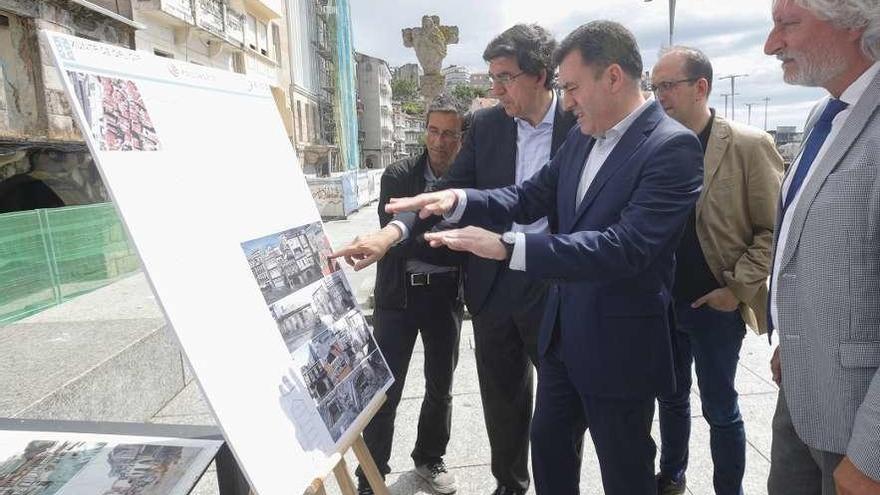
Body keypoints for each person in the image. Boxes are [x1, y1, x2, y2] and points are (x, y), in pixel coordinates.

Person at [385, 21, 703, 495]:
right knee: (549, 452)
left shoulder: (671, 147)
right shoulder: (584, 137)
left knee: (625, 469)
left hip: (617, 344)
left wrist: (507, 247)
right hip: (561, 338)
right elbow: (527, 196)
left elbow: (625, 247)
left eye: (573, 87)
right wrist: (455, 200)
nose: (568, 101)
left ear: (613, 78)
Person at [334, 24, 576, 495]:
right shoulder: (486, 126)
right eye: (492, 77)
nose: (495, 88)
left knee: (561, 403)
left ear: (541, 75)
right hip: (493, 285)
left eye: (505, 77)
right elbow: (445, 194)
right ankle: (510, 485)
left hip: (555, 282)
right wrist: (391, 233)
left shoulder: (577, 122)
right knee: (502, 400)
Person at [649, 46, 784, 495]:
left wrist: (738, 290)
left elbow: (773, 230)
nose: (659, 96)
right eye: (655, 88)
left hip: (716, 303)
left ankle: (730, 488)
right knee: (669, 399)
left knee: (720, 408)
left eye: (667, 86)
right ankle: (672, 476)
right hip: (662, 302)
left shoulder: (748, 145)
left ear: (701, 87)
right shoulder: (654, 148)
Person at [763, 1, 880, 494]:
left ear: (855, 22)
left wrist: (872, 454)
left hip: (858, 424)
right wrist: (794, 336)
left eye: (787, 24)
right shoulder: (824, 114)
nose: (771, 45)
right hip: (803, 388)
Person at [352, 95, 466, 495]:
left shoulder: (468, 180)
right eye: (434, 131)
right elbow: (395, 239)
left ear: (460, 137)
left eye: (449, 133)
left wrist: (424, 237)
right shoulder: (399, 174)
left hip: (444, 298)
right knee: (386, 389)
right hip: (398, 299)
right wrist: (448, 239)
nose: (439, 141)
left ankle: (429, 456)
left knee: (441, 385)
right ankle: (371, 474)